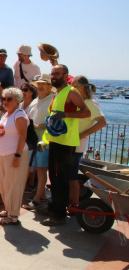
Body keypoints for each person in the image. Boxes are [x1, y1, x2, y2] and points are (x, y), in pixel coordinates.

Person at [38, 65, 90, 226]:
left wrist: (66, 114)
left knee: (60, 179)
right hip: (55, 141)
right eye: (52, 74)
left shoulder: (71, 92)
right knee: (53, 177)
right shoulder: (57, 93)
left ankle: (60, 215)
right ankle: (55, 208)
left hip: (66, 143)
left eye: (57, 74)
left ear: (65, 75)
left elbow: (86, 112)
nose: (54, 77)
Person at [69, 76, 106, 209]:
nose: (71, 90)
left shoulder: (90, 102)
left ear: (82, 88)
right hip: (69, 142)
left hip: (76, 144)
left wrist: (81, 135)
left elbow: (102, 122)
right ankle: (69, 201)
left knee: (71, 175)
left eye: (73, 87)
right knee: (68, 174)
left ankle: (74, 204)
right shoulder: (79, 101)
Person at [0, 87, 30, 226]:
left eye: (9, 99)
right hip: (4, 154)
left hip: (15, 154)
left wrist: (17, 155)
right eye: (4, 98)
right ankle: (8, 209)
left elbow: (23, 136)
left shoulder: (19, 114)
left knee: (14, 185)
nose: (6, 101)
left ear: (17, 101)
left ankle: (13, 215)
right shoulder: (6, 115)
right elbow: (2, 135)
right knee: (5, 184)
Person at [22, 74, 54, 210]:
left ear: (49, 86)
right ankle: (41, 196)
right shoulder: (36, 100)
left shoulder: (53, 100)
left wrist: (39, 126)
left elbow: (57, 122)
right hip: (33, 141)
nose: (40, 86)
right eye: (38, 84)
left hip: (45, 142)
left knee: (41, 170)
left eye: (43, 84)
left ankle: (37, 199)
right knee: (37, 169)